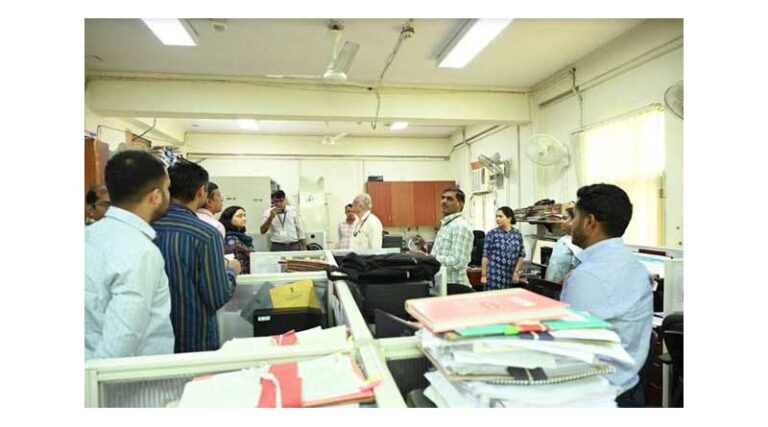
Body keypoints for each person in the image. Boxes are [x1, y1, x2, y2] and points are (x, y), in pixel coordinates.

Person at [560, 183, 653, 407]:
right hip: (630, 388)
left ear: (590, 221)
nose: (570, 224)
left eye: (575, 217)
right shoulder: (635, 265)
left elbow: (568, 349)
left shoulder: (588, 277)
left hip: (598, 397)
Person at [85, 151, 174, 360]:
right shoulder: (140, 251)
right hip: (128, 389)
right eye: (167, 188)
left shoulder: (90, 236)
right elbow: (121, 344)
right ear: (156, 196)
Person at [153, 160, 241, 353]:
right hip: (194, 337)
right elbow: (217, 297)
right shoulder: (206, 234)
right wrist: (231, 271)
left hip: (153, 341)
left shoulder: (148, 227)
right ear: (202, 192)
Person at [430, 188, 474, 288]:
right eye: (443, 198)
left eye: (449, 199)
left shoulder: (460, 226)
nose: (444, 201)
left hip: (455, 286)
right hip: (442, 284)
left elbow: (458, 261)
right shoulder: (447, 225)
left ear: (461, 204)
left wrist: (430, 259)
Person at [481, 206, 526, 290]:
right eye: (496, 216)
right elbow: (485, 256)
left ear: (509, 218)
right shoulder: (492, 234)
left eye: (500, 216)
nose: (497, 219)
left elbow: (521, 254)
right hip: (494, 274)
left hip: (510, 274)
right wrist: (483, 275)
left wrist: (516, 272)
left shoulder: (517, 234)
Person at [545, 205, 582, 283]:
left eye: (565, 218)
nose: (561, 221)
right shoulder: (561, 241)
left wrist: (559, 284)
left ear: (575, 221)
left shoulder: (581, 244)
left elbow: (577, 271)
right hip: (551, 287)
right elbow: (551, 264)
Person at [220, 206, 254, 274]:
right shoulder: (230, 239)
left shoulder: (242, 237)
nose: (244, 219)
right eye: (239, 216)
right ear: (229, 219)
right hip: (238, 276)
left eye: (244, 216)